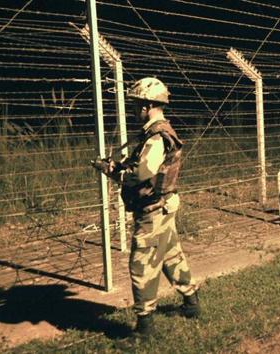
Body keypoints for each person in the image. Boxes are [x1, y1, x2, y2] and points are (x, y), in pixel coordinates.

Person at [92, 77, 199, 336]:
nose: (134, 109)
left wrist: (111, 170)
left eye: (136, 104)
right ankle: (191, 302)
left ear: (147, 105)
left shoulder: (155, 136)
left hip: (152, 208)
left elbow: (141, 173)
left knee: (141, 264)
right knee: (171, 254)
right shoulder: (159, 131)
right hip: (163, 204)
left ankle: (145, 325)